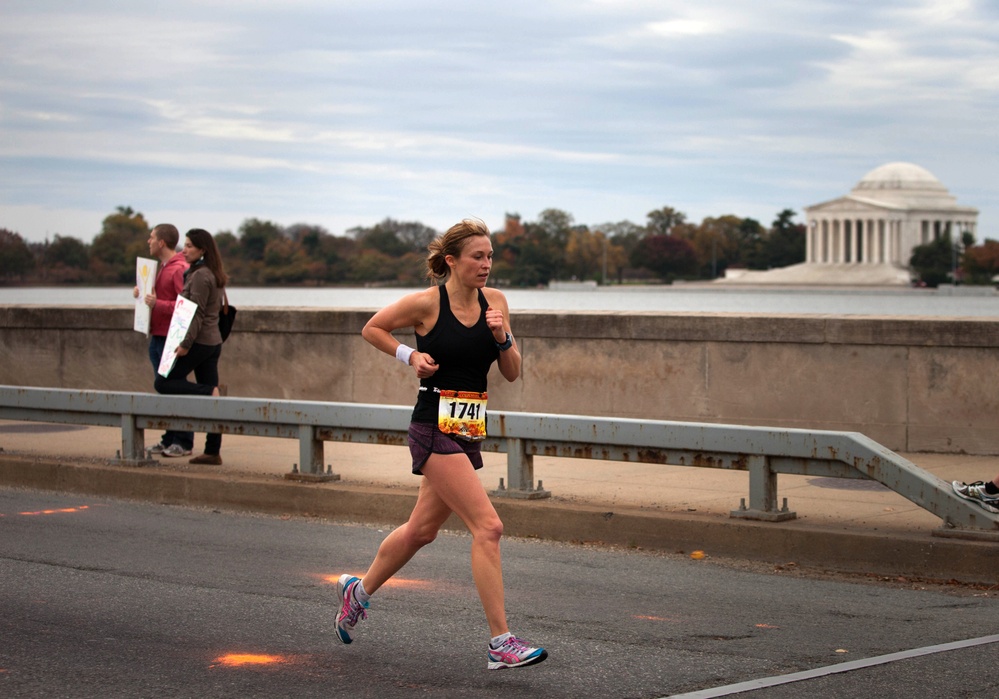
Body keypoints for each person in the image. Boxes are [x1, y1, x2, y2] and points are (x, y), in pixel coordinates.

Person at [336, 218, 547, 671]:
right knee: (488, 527)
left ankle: (359, 590)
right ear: (451, 261)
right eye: (478, 256)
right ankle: (500, 642)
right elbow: (372, 328)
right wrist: (409, 354)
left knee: (421, 531)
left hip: (467, 426)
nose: (486, 264)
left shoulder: (497, 304)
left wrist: (501, 336)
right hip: (431, 425)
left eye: (490, 256)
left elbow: (511, 371)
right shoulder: (427, 304)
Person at [153, 228, 226, 466]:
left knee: (163, 382)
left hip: (200, 342)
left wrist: (185, 344)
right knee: (212, 399)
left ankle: (208, 392)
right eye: (183, 245)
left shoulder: (200, 276)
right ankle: (212, 452)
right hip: (212, 342)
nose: (183, 250)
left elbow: (196, 312)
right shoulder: (210, 272)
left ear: (202, 250)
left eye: (189, 246)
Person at [133, 223, 195, 457]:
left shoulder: (179, 268)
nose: (148, 242)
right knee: (165, 390)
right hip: (158, 337)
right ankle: (169, 439)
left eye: (151, 238)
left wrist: (156, 303)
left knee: (174, 389)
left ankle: (183, 441)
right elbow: (159, 298)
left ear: (161, 242)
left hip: (172, 338)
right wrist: (141, 294)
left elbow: (186, 306)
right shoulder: (162, 267)